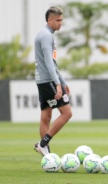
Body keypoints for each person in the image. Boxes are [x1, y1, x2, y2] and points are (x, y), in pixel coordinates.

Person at [34, 6, 72, 156]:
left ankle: (47, 156)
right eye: (57, 20)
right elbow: (49, 62)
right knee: (67, 113)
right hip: (48, 80)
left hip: (42, 79)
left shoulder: (44, 34)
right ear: (49, 20)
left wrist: (62, 81)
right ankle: (43, 144)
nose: (60, 23)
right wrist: (57, 84)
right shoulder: (46, 36)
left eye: (61, 20)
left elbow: (52, 63)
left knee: (46, 116)